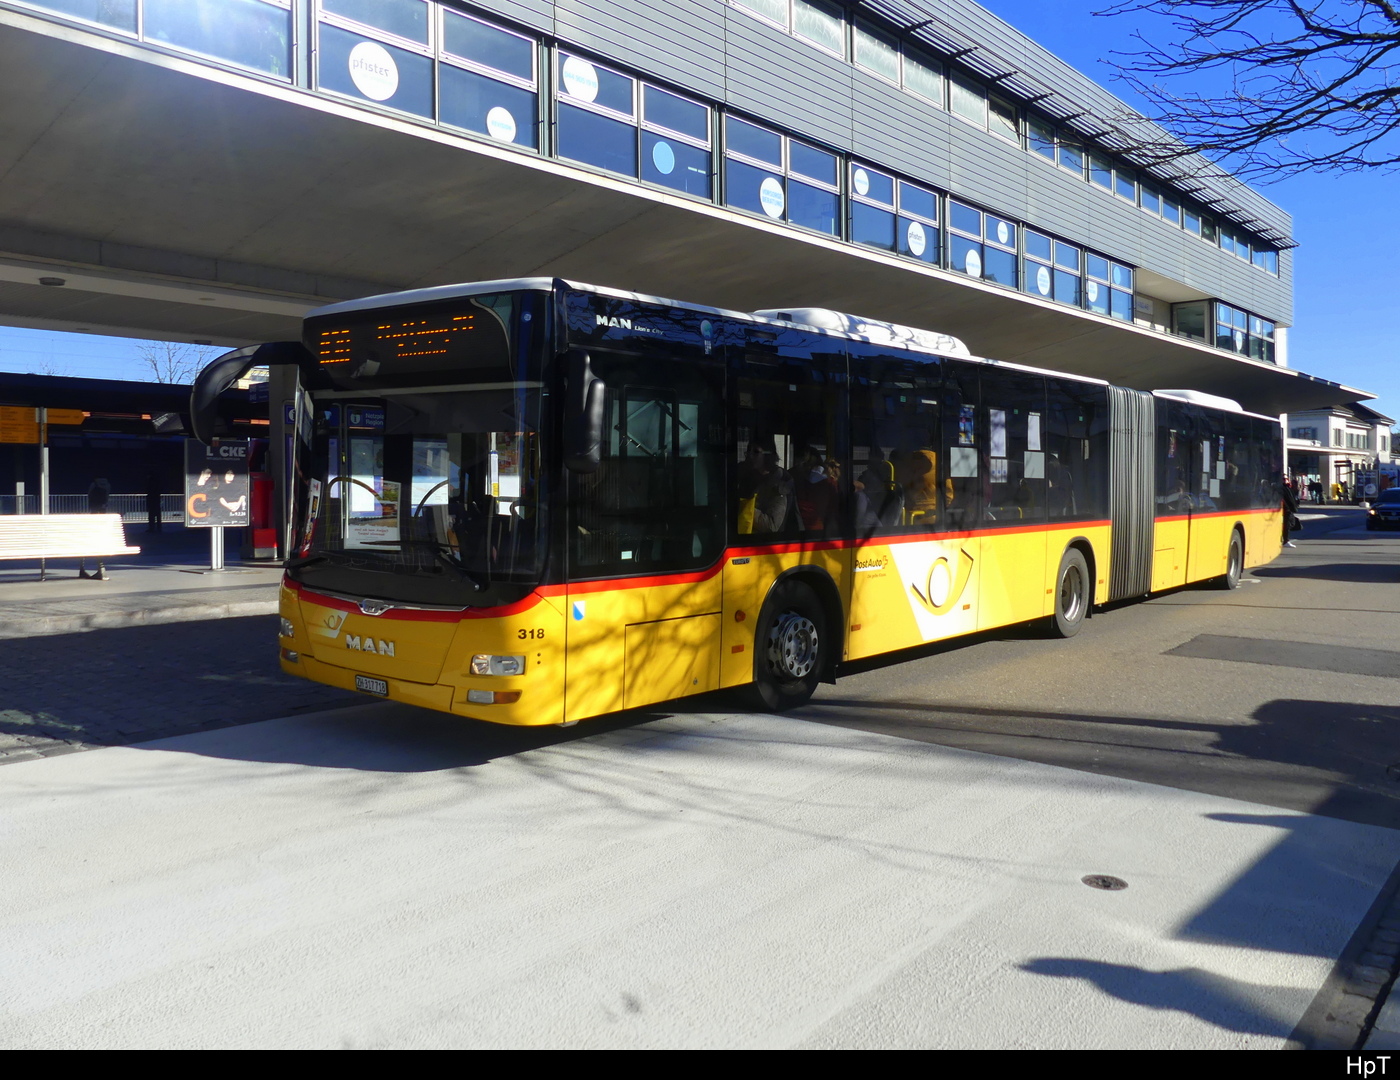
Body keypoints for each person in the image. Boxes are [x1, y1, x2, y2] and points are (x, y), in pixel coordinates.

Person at [80, 478, 112, 580]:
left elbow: (90, 495)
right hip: (102, 508)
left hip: (94, 508)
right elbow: (107, 495)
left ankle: (82, 568)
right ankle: (101, 567)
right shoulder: (106, 484)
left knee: (87, 539)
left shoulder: (94, 484)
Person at [1281, 476, 1299, 549]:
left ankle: (1284, 539)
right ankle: (1286, 540)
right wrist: (1287, 507)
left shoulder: (1288, 488)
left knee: (1291, 523)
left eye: (1286, 479)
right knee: (1287, 525)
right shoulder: (1281, 488)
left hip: (1290, 509)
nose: (1285, 480)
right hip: (1286, 510)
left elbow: (1292, 497)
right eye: (1283, 479)